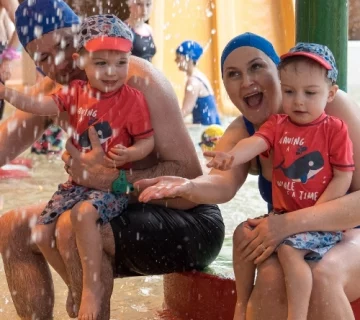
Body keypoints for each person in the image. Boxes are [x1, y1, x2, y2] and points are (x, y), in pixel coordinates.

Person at [0, 1, 224, 319]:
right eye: (45, 57)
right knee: (12, 229)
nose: (60, 63)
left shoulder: (138, 81)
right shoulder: (60, 91)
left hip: (190, 222)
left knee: (71, 225)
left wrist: (109, 180)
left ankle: (86, 306)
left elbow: (189, 179)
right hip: (115, 210)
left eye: (65, 45)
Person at [135, 32, 360, 320]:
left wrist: (287, 224)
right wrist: (188, 186)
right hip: (294, 236)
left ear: (276, 71)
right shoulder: (247, 131)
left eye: (256, 67)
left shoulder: (332, 109)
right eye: (233, 74)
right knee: (268, 280)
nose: (247, 81)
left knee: (324, 276)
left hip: (348, 231)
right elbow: (220, 181)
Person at [1, 13, 156, 319]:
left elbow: (163, 154)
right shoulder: (70, 93)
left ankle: (90, 292)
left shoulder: (135, 88)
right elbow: (34, 108)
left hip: (128, 193)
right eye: (44, 57)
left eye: (120, 62)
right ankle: (75, 287)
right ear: (81, 59)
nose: (111, 73)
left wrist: (124, 164)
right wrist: (7, 92)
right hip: (83, 187)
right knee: (29, 230)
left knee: (77, 220)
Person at [205, 43, 354, 320]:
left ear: (329, 93)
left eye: (309, 93)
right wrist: (227, 160)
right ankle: (241, 308)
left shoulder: (335, 122)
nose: (299, 101)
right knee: (266, 267)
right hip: (292, 221)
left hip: (335, 224)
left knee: (321, 276)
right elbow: (250, 147)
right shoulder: (276, 124)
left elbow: (344, 178)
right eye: (290, 92)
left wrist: (310, 217)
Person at [175, 40, 221, 126]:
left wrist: (167, 124)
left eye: (178, 57)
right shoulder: (200, 76)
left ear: (188, 58)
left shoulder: (193, 81)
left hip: (206, 131)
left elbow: (185, 111)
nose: (175, 60)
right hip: (214, 127)